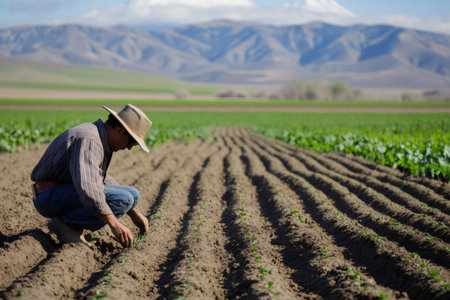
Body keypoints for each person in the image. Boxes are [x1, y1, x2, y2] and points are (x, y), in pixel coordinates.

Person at [31, 104, 152, 247]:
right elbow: (90, 190)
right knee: (123, 199)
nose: (129, 147)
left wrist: (134, 213)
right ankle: (67, 224)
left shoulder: (98, 137)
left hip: (63, 191)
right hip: (49, 196)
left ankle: (69, 221)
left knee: (133, 195)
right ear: (120, 131)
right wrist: (115, 225)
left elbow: (101, 178)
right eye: (131, 142)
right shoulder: (90, 141)